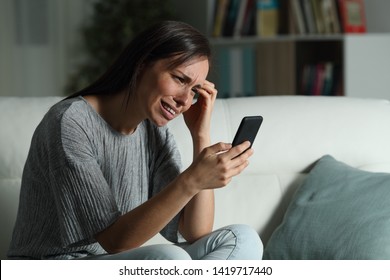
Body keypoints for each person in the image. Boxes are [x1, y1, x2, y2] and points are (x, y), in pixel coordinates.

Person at [7, 21, 263, 260]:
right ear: (141, 65)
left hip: (112, 263)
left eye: (195, 91)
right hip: (53, 265)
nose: (185, 100)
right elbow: (114, 241)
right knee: (169, 259)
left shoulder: (154, 132)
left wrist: (200, 136)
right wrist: (193, 178)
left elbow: (194, 231)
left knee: (242, 238)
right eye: (179, 79)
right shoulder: (70, 122)